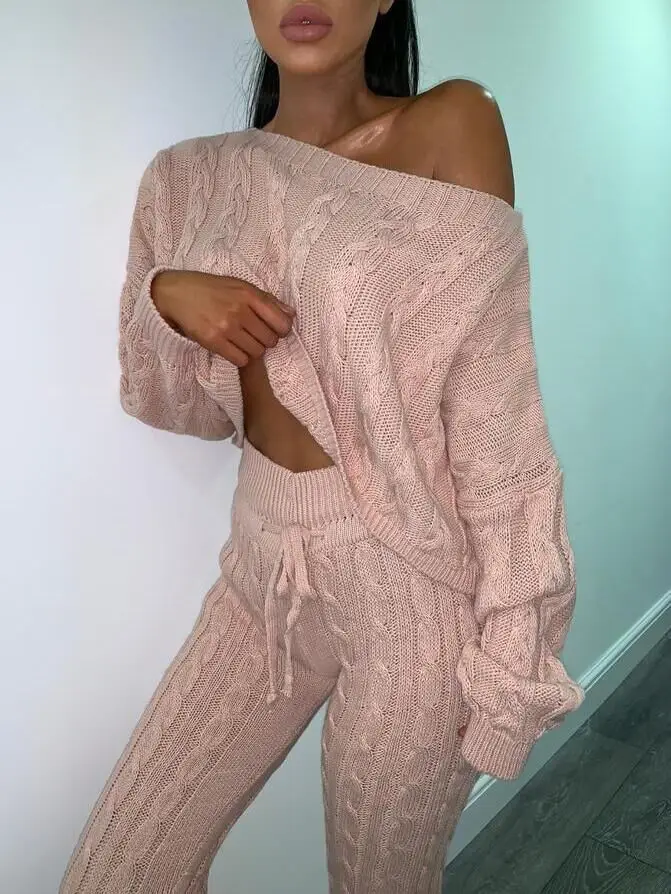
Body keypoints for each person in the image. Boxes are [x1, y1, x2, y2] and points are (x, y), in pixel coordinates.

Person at [59, 2, 585, 892]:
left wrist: (513, 661)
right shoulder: (186, 178)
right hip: (261, 572)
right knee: (117, 871)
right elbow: (176, 407)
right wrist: (164, 294)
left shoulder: (452, 123)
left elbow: (499, 424)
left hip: (412, 593)